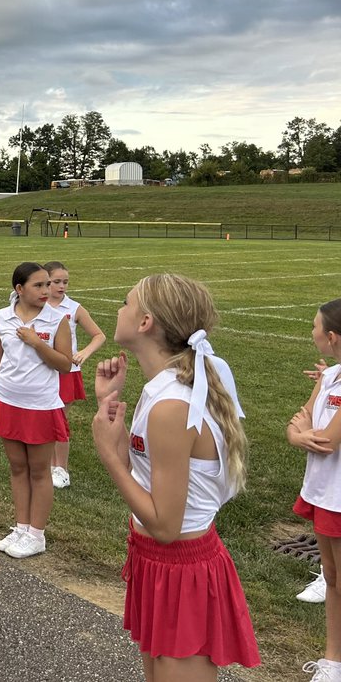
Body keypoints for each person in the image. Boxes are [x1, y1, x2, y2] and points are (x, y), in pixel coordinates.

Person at [93, 274, 258, 679]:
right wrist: (108, 403)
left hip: (182, 568)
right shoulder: (160, 390)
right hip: (156, 561)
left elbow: (166, 526)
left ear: (145, 322)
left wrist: (108, 457)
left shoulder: (172, 405)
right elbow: (144, 476)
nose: (119, 309)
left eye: (126, 302)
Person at [0, 262, 72, 559]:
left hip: (40, 405)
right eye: (39, 285)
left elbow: (65, 364)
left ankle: (37, 535)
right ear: (19, 289)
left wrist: (37, 343)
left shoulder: (57, 319)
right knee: (18, 467)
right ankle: (21, 528)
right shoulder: (2, 316)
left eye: (48, 284)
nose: (46, 290)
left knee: (39, 471)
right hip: (8, 401)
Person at [289, 299, 341, 680]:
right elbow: (300, 420)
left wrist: (306, 434)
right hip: (324, 492)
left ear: (332, 337)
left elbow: (327, 441)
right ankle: (332, 661)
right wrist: (300, 434)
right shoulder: (329, 377)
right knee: (332, 578)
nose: (312, 332)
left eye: (314, 326)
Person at [44, 261, 106, 489]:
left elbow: (99, 335)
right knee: (46, 419)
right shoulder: (38, 305)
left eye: (65, 282)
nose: (62, 286)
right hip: (43, 371)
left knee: (59, 420)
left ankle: (62, 470)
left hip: (67, 372)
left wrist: (84, 353)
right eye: (56, 282)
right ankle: (49, 466)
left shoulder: (73, 308)